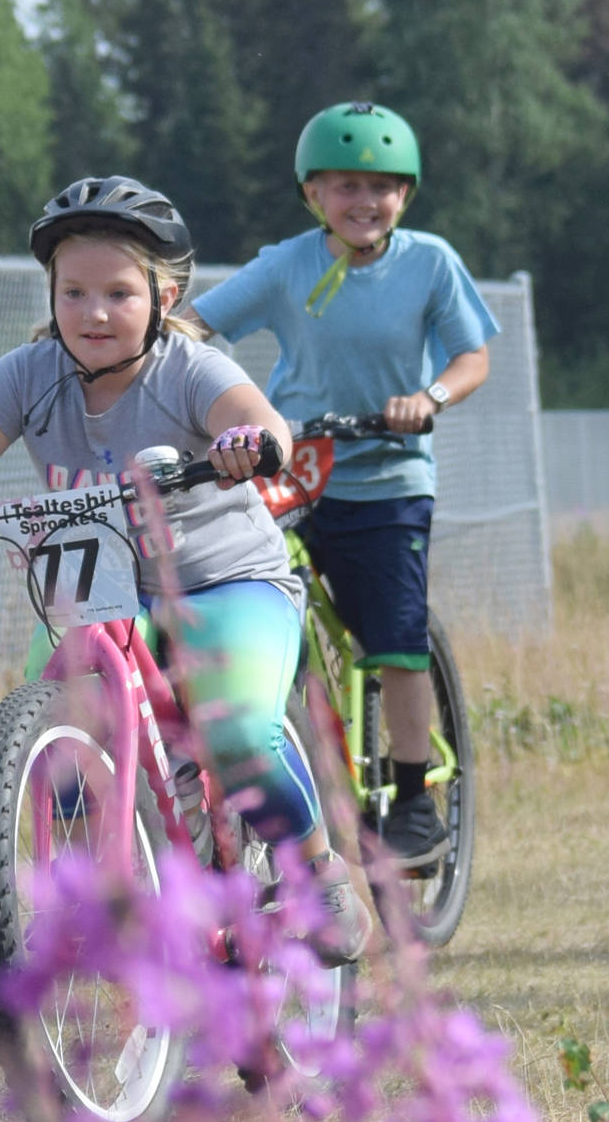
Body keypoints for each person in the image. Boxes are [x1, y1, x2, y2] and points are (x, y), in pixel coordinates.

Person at [0, 175, 372, 964]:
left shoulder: (187, 368)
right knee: (56, 742)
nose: (94, 313)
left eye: (117, 292)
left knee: (241, 732)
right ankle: (86, 900)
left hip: (225, 580)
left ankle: (319, 871)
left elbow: (257, 418)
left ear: (164, 293)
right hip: (104, 589)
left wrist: (249, 444)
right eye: (72, 292)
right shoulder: (28, 375)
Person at [187, 102, 498, 871]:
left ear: (407, 196)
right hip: (293, 474)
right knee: (244, 601)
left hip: (387, 476)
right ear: (312, 193)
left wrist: (431, 399)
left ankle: (415, 799)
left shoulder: (430, 263)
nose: (366, 202)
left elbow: (472, 358)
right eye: (346, 186)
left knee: (395, 638)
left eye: (384, 188)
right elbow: (198, 323)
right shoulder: (288, 265)